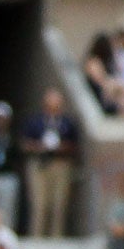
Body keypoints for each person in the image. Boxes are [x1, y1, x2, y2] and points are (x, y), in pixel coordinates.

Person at [18, 88, 79, 237]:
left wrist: (61, 147)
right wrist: (40, 146)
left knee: (58, 204)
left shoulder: (67, 123)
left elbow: (74, 145)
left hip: (60, 163)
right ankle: (37, 236)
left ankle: (56, 236)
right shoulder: (35, 121)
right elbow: (24, 143)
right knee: (39, 204)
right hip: (39, 163)